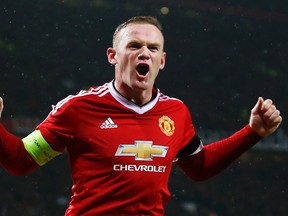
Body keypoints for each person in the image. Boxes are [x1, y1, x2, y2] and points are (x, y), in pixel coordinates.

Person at [0, 16, 282, 215]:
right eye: (134, 46)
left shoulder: (176, 112)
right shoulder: (78, 108)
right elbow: (21, 161)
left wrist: (252, 133)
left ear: (162, 60)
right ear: (113, 55)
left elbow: (199, 166)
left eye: (153, 48)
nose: (144, 53)